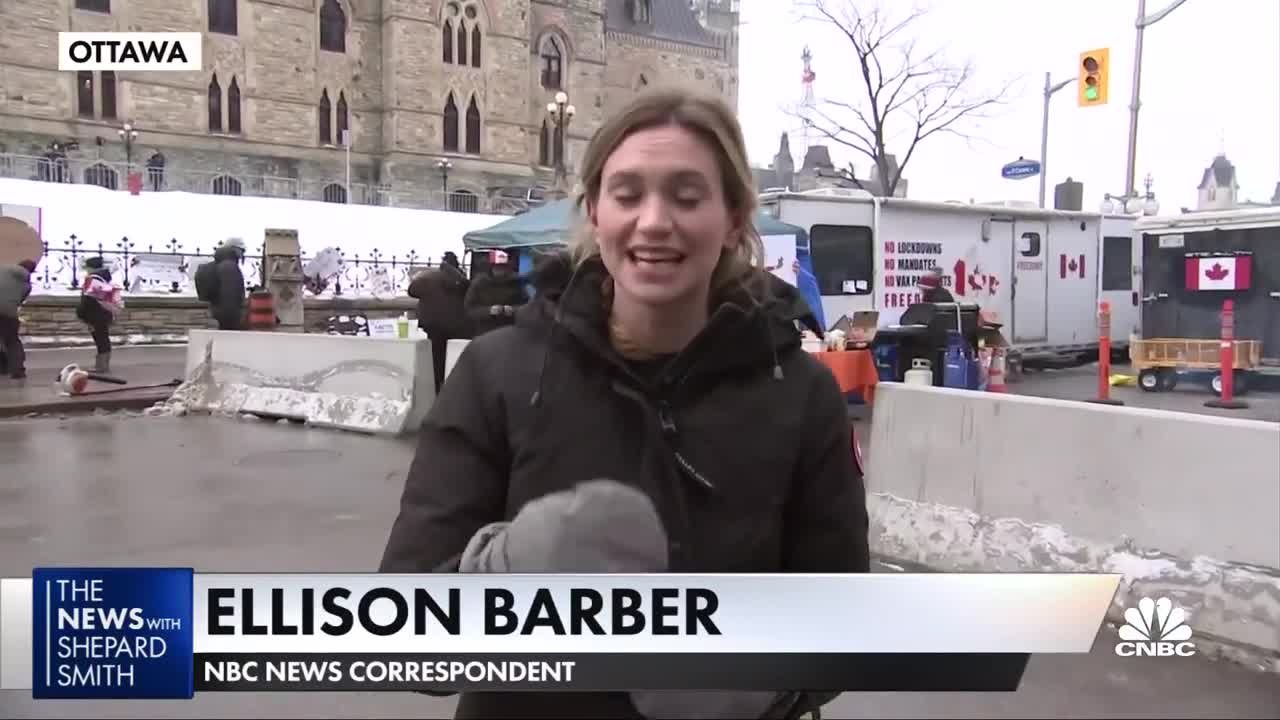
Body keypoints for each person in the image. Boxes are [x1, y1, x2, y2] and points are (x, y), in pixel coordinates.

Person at [380, 85, 869, 719]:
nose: (654, 221)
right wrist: (505, 576)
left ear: (735, 220)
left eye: (687, 197)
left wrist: (760, 679)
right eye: (628, 194)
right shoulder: (498, 372)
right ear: (594, 212)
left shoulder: (803, 395)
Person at [407, 251, 471, 392]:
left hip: (432, 324)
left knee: (435, 359)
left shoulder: (429, 277)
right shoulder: (461, 279)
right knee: (454, 357)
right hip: (457, 325)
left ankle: (436, 388)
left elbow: (412, 291)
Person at [462, 250, 527, 336]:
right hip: (484, 332)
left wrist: (513, 310)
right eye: (497, 267)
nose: (500, 270)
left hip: (509, 332)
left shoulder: (516, 282)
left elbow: (527, 306)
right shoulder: (479, 283)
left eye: (503, 267)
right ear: (491, 267)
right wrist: (489, 311)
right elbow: (470, 309)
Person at [77, 256, 123, 373]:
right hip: (105, 313)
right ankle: (104, 364)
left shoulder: (92, 280)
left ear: (91, 267)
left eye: (87, 267)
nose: (85, 269)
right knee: (103, 338)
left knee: (100, 339)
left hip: (95, 314)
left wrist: (82, 314)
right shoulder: (105, 279)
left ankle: (101, 366)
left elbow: (87, 300)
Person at [197, 238, 247, 330]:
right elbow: (230, 295)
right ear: (235, 249)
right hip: (228, 320)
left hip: (216, 313)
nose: (243, 254)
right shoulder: (230, 267)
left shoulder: (220, 264)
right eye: (242, 250)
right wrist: (236, 320)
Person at [0, 259, 36, 379]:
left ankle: (3, 366)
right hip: (9, 313)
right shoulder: (27, 285)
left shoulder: (3, 269)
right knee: (12, 341)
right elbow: (20, 300)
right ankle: (18, 370)